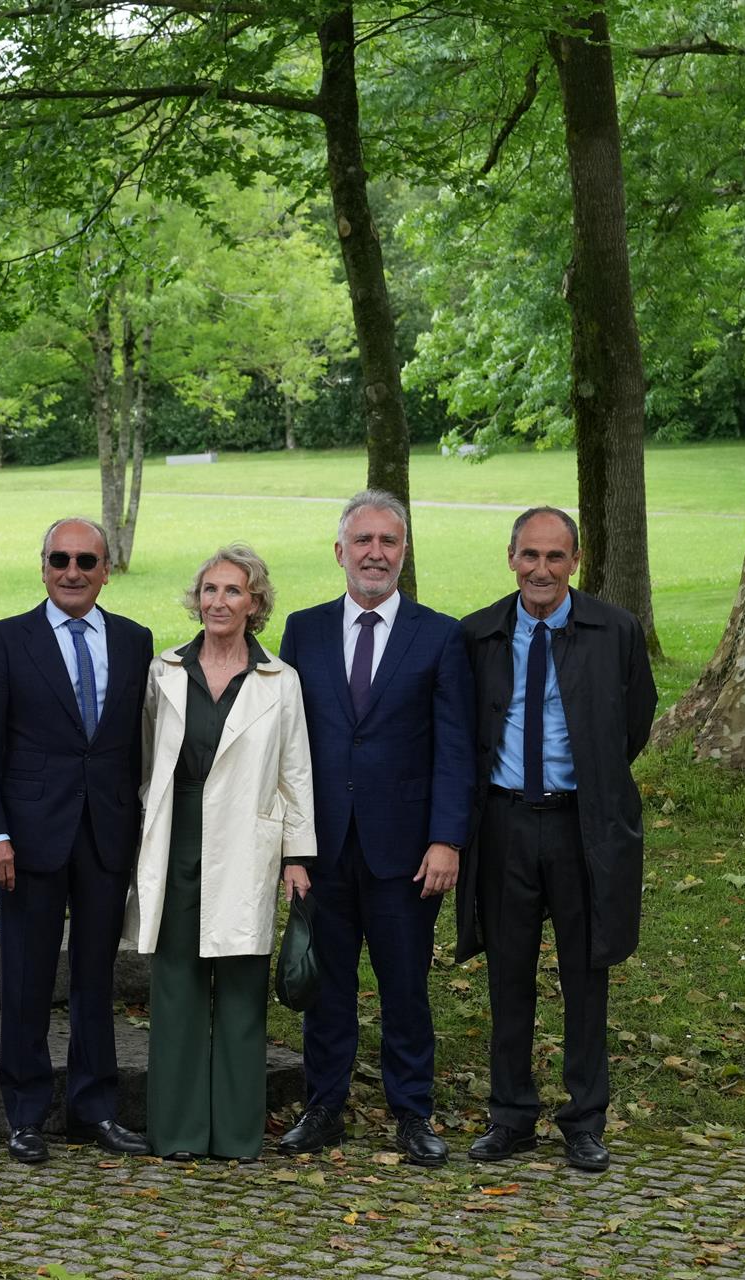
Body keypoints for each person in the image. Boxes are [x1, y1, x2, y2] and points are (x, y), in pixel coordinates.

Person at [275, 491, 475, 1166]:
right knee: (325, 988)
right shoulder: (302, 631)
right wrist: (289, 848)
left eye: (389, 541)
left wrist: (447, 838)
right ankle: (324, 1107)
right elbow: (285, 744)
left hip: (407, 852)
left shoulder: (440, 634)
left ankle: (412, 1112)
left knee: (405, 988)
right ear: (340, 552)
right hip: (322, 848)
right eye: (363, 541)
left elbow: (455, 745)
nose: (375, 553)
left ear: (404, 552)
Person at [459, 507, 656, 1173]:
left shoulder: (615, 631)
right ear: (509, 558)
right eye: (529, 555)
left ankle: (584, 1119)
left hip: (582, 825)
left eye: (555, 556)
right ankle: (510, 1115)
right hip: (506, 823)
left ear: (575, 561)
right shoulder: (480, 634)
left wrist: (590, 786)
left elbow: (633, 723)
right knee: (508, 975)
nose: (541, 569)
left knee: (585, 975)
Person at [0, 517, 154, 1164]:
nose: (72, 571)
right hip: (28, 838)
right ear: (42, 565)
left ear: (106, 570)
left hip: (105, 834)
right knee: (25, 979)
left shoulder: (135, 641)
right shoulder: (5, 642)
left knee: (96, 979)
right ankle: (25, 1114)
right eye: (60, 559)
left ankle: (95, 1109)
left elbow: (137, 746)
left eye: (86, 561)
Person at [131, 545, 315, 1161]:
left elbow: (296, 774)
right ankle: (178, 1132)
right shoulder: (165, 670)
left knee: (240, 988)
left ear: (255, 603)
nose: (218, 602)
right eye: (209, 590)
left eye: (233, 591)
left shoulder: (279, 680)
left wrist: (297, 855)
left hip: (247, 844)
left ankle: (236, 1134)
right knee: (177, 986)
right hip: (177, 837)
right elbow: (145, 761)